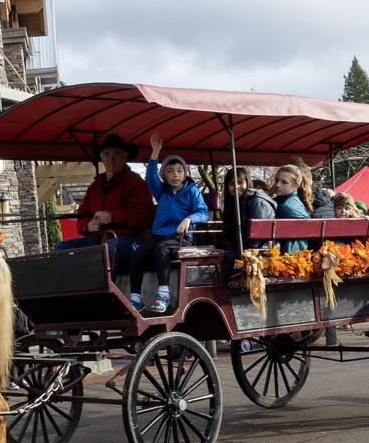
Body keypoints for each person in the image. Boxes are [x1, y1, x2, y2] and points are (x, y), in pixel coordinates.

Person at [128, 134, 212, 313]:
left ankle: (164, 294)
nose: (175, 175)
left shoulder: (192, 191)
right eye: (170, 171)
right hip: (159, 235)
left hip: (180, 236)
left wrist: (189, 219)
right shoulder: (162, 192)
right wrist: (155, 153)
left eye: (179, 171)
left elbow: (203, 212)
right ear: (164, 175)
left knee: (162, 250)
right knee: (137, 255)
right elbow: (150, 179)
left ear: (185, 173)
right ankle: (135, 297)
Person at [55, 133, 154, 275]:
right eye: (106, 154)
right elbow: (82, 217)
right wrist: (88, 226)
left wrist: (112, 217)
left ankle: (102, 294)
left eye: (117, 153)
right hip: (98, 239)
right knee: (61, 248)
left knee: (109, 249)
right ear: (101, 158)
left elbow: (144, 215)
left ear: (125, 158)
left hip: (130, 241)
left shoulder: (136, 183)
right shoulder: (94, 187)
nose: (111, 158)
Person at [220, 166, 277, 270]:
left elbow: (256, 239)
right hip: (241, 250)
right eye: (232, 184)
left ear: (247, 183)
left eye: (240, 182)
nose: (236, 187)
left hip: (259, 254)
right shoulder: (235, 203)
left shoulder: (257, 201)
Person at [271, 164, 312, 253]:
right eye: (277, 180)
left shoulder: (287, 207)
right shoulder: (288, 202)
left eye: (284, 182)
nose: (278, 184)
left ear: (297, 185)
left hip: (289, 257)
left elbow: (293, 245)